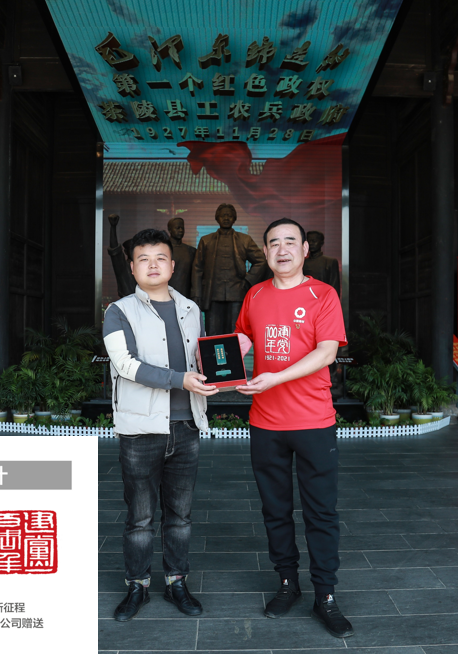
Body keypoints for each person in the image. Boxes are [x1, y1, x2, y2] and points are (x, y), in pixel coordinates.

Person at [234, 217, 352, 638]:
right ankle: (287, 582)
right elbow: (243, 339)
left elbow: (326, 353)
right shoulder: (255, 294)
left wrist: (275, 378)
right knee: (275, 510)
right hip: (265, 423)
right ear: (265, 252)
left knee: (321, 512)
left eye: (290, 242)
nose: (281, 249)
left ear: (304, 250)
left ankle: (326, 595)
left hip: (313, 422)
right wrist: (215, 361)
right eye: (273, 243)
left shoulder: (323, 295)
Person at [103, 228, 219, 622]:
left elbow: (200, 358)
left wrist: (221, 370)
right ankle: (137, 586)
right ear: (132, 268)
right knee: (140, 518)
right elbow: (126, 365)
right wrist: (181, 379)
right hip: (141, 430)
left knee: (180, 516)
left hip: (186, 426)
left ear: (172, 265)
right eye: (144, 259)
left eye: (160, 258)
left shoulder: (191, 309)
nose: (153, 265)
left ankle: (176, 582)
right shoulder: (119, 311)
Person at [191, 203, 266, 335]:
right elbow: (197, 268)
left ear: (234, 218)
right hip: (213, 294)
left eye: (229, 216)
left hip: (236, 293)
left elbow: (261, 260)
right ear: (217, 218)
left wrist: (248, 280)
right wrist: (196, 294)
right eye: (223, 215)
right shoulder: (206, 240)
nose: (226, 218)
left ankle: (233, 350)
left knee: (235, 332)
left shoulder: (244, 240)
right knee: (213, 332)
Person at [106, 213, 136, 297]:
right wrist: (113, 227)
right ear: (126, 252)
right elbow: (114, 250)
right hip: (127, 301)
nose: (134, 252)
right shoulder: (123, 266)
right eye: (131, 249)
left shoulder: (145, 266)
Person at [303, 230, 340, 297]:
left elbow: (334, 286)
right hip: (305, 297)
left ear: (321, 243)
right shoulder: (303, 262)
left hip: (323, 297)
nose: (311, 243)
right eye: (309, 241)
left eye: (314, 241)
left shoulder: (330, 262)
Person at [167, 216, 196, 298]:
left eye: (182, 228)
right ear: (170, 230)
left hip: (186, 295)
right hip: (166, 294)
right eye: (177, 228)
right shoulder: (163, 250)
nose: (180, 230)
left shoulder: (191, 251)